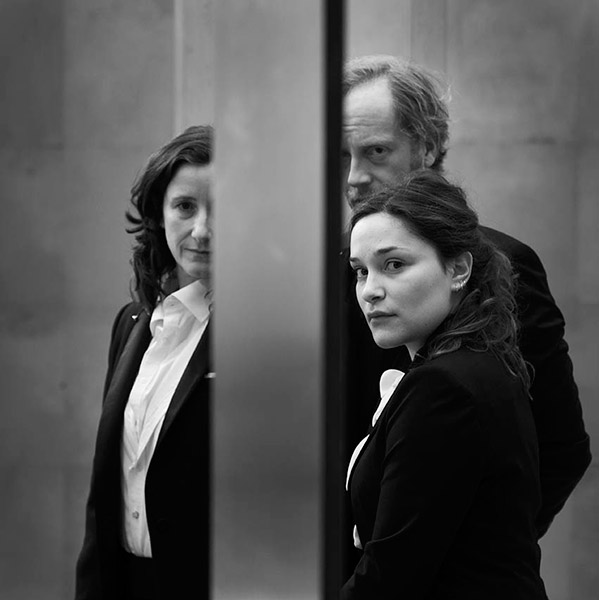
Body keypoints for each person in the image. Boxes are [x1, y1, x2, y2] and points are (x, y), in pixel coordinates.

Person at [341, 55, 591, 540]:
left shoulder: (506, 264)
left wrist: (476, 555)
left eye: (376, 151)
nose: (354, 177)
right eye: (342, 155)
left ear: (428, 147)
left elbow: (560, 446)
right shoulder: (333, 269)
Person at [343, 170, 548, 599]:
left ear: (458, 269)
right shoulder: (476, 364)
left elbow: (392, 575)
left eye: (394, 265)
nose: (370, 291)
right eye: (360, 271)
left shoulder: (444, 387)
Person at [75, 125, 214, 600]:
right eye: (185, 207)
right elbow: (106, 487)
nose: (202, 231)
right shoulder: (132, 321)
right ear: (159, 213)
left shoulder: (263, 331)